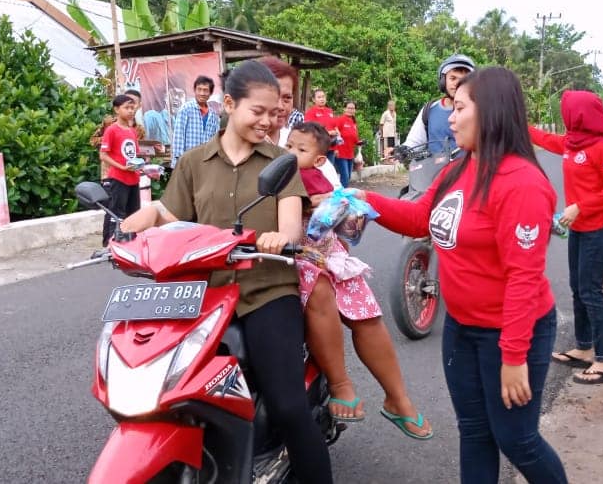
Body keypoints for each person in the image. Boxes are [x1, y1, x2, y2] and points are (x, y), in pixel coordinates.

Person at [118, 60, 333, 483]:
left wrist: (277, 237)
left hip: (265, 291)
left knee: (288, 404)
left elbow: (290, 225)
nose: (268, 122)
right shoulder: (194, 162)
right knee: (163, 390)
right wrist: (134, 223)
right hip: (202, 295)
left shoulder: (282, 163)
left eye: (274, 114)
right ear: (230, 104)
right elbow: (168, 211)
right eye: (258, 111)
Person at [355, 67, 568, 483]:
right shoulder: (460, 167)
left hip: (509, 331)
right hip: (463, 328)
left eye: (460, 108)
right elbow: (420, 218)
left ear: (490, 113)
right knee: (474, 432)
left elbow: (524, 279)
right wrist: (365, 200)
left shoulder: (521, 183)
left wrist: (513, 356)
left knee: (516, 439)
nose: (450, 118)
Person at [285, 120, 432, 440]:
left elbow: (339, 203)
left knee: (365, 309)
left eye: (283, 98)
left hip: (326, 250)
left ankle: (398, 398)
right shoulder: (270, 160)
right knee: (319, 288)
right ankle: (341, 383)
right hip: (289, 255)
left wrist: (335, 206)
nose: (293, 152)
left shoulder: (314, 169)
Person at [530, 91, 603, 385]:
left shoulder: (601, 147)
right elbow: (545, 140)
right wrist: (515, 122)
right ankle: (584, 348)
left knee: (591, 292)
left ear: (578, 114)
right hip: (580, 229)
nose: (563, 116)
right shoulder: (572, 144)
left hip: (599, 228)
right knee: (577, 288)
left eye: (567, 111)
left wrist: (579, 207)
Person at [255, 56, 341, 190]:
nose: (281, 106)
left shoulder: (304, 142)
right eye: (272, 97)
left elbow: (337, 196)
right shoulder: (237, 149)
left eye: (287, 98)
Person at [399, 54, 475, 155]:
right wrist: (402, 150)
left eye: (463, 80)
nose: (457, 84)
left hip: (469, 169)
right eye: (453, 78)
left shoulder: (478, 110)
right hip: (436, 169)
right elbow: (415, 141)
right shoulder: (430, 110)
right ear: (443, 81)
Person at [99, 95, 143, 247]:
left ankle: (131, 244)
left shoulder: (132, 131)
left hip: (133, 178)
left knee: (134, 213)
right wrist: (121, 167)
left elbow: (135, 155)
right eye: (126, 108)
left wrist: (143, 168)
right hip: (118, 179)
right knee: (116, 213)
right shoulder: (111, 130)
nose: (131, 111)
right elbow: (103, 155)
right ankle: (110, 244)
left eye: (132, 108)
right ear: (117, 110)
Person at [171, 75, 220, 166]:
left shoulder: (213, 115)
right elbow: (178, 136)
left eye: (205, 90)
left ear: (210, 93)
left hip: (206, 162)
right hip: (188, 161)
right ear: (195, 90)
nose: (202, 93)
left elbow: (215, 139)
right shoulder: (186, 109)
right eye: (199, 89)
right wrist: (178, 163)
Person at [331, 101, 361, 188]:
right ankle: (342, 197)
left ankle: (342, 195)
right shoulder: (340, 120)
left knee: (348, 177)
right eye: (349, 108)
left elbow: (355, 138)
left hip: (350, 154)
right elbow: (335, 135)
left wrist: (359, 142)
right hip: (341, 153)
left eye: (353, 108)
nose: (351, 110)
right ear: (344, 109)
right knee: (345, 177)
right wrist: (335, 149)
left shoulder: (353, 122)